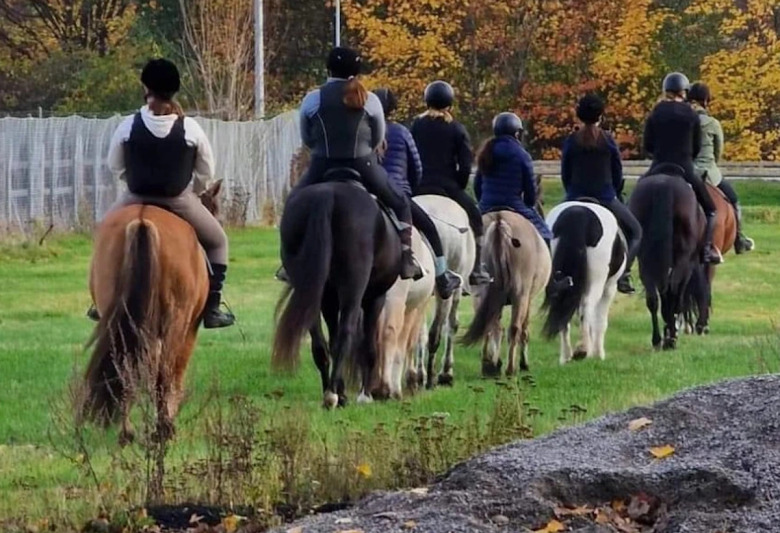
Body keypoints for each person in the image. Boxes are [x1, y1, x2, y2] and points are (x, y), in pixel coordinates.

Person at [87, 58, 235, 329]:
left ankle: (99, 299)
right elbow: (206, 170)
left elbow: (114, 164)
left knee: (103, 232)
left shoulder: (128, 125)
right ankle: (213, 307)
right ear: (174, 90)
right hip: (177, 200)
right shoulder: (190, 128)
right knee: (218, 242)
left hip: (135, 196)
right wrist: (197, 191)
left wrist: (131, 181)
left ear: (146, 88)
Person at [287, 46, 421, 281]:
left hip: (322, 165)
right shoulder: (369, 100)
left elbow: (307, 137)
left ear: (328, 69)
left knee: (292, 204)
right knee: (400, 203)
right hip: (363, 165)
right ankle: (407, 256)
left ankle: (289, 261)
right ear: (357, 71)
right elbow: (379, 137)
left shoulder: (312, 98)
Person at [372, 87, 461, 299]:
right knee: (429, 228)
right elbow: (416, 167)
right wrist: (408, 188)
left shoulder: (364, 130)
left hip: (368, 190)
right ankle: (442, 276)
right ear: (392, 110)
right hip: (396, 192)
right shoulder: (402, 132)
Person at [410, 80, 491, 286]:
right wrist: (459, 186)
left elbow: (410, 158)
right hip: (447, 187)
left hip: (418, 187)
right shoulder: (456, 128)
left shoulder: (416, 126)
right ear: (450, 103)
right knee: (475, 216)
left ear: (427, 101)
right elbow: (465, 165)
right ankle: (477, 268)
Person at [561, 94, 642, 294]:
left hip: (574, 196)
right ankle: (624, 275)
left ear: (579, 116)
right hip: (605, 197)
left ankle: (557, 274)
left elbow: (565, 172)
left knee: (547, 230)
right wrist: (614, 191)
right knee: (636, 232)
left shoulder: (572, 140)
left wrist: (570, 192)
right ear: (600, 116)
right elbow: (617, 171)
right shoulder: (608, 140)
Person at [643, 72, 722, 264]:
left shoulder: (655, 112)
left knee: (632, 203)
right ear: (684, 92)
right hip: (685, 167)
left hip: (658, 167)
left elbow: (647, 147)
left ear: (666, 90)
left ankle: (630, 249)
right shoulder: (690, 114)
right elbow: (695, 148)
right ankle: (707, 249)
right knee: (711, 209)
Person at [688, 81, 754, 254]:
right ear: (706, 101)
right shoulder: (712, 123)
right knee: (733, 199)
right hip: (708, 172)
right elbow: (718, 151)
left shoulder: (683, 120)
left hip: (685, 171)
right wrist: (711, 164)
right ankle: (739, 239)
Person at [473, 112, 553, 247]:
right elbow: (530, 191)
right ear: (516, 133)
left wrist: (483, 202)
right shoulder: (522, 154)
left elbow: (477, 185)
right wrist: (529, 203)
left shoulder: (486, 151)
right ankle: (553, 268)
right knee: (545, 234)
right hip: (515, 205)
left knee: (469, 232)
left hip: (487, 205)